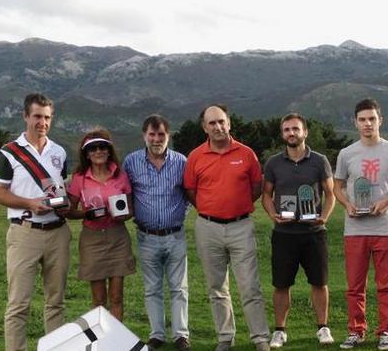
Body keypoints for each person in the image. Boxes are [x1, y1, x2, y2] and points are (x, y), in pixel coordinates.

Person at [184, 105, 271, 351]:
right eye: (212, 123)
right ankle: (225, 337)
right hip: (208, 228)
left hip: (240, 226)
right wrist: (211, 207)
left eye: (221, 122)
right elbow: (191, 191)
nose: (217, 127)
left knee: (250, 286)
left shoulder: (246, 154)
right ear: (204, 128)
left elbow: (256, 187)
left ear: (229, 123)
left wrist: (237, 206)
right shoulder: (196, 157)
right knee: (216, 288)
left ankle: (260, 338)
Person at [0, 93, 70, 351]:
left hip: (57, 232)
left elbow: (59, 191)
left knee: (56, 301)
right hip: (25, 231)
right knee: (19, 305)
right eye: (37, 116)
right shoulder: (9, 153)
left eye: (47, 117)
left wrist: (65, 203)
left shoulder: (58, 151)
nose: (42, 122)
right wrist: (29, 203)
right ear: (26, 116)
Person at [333, 98, 388, 350]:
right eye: (362, 119)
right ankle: (356, 330)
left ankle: (385, 331)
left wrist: (386, 201)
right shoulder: (346, 153)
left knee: (386, 285)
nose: (367, 124)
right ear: (355, 122)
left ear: (380, 121)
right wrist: (347, 205)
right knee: (355, 285)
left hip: (385, 228)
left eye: (371, 119)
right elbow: (337, 186)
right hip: (355, 229)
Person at [261, 113, 336, 348]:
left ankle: (323, 327)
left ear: (305, 132)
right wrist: (272, 213)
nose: (291, 133)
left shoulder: (319, 160)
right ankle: (280, 330)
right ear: (282, 134)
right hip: (284, 234)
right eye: (286, 130)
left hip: (313, 232)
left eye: (295, 129)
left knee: (319, 282)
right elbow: (266, 194)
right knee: (281, 284)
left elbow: (330, 193)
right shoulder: (273, 163)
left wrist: (324, 216)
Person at [122, 114, 191, 351]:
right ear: (144, 136)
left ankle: (181, 335)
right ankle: (157, 334)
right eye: (152, 134)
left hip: (175, 234)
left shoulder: (182, 162)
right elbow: (125, 192)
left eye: (161, 134)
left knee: (178, 288)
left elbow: (190, 193)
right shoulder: (131, 162)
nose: (156, 139)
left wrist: (184, 213)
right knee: (152, 288)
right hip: (146, 236)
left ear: (168, 136)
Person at [65, 129, 135, 321]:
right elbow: (69, 212)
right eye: (93, 148)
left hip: (117, 237)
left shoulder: (120, 175)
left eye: (102, 147)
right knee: (98, 299)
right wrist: (86, 213)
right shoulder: (80, 178)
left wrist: (120, 215)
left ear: (109, 150)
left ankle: (117, 342)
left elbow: (130, 209)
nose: (98, 151)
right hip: (92, 238)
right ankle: (101, 342)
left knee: (117, 296)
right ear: (86, 153)